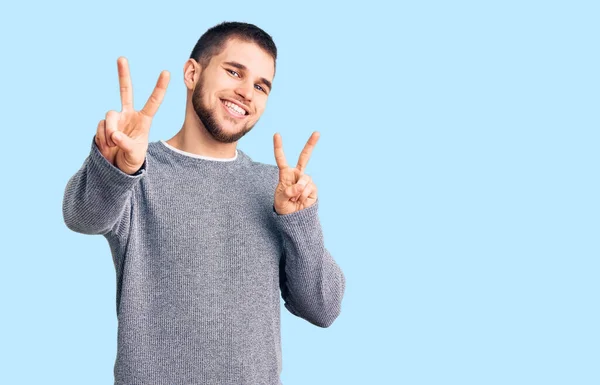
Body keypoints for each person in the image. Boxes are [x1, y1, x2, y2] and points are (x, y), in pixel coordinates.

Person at [62, 21, 346, 385]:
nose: (247, 92)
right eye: (234, 72)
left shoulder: (273, 190)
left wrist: (301, 222)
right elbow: (82, 217)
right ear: (192, 73)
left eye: (261, 86)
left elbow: (323, 308)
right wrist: (115, 170)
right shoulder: (137, 170)